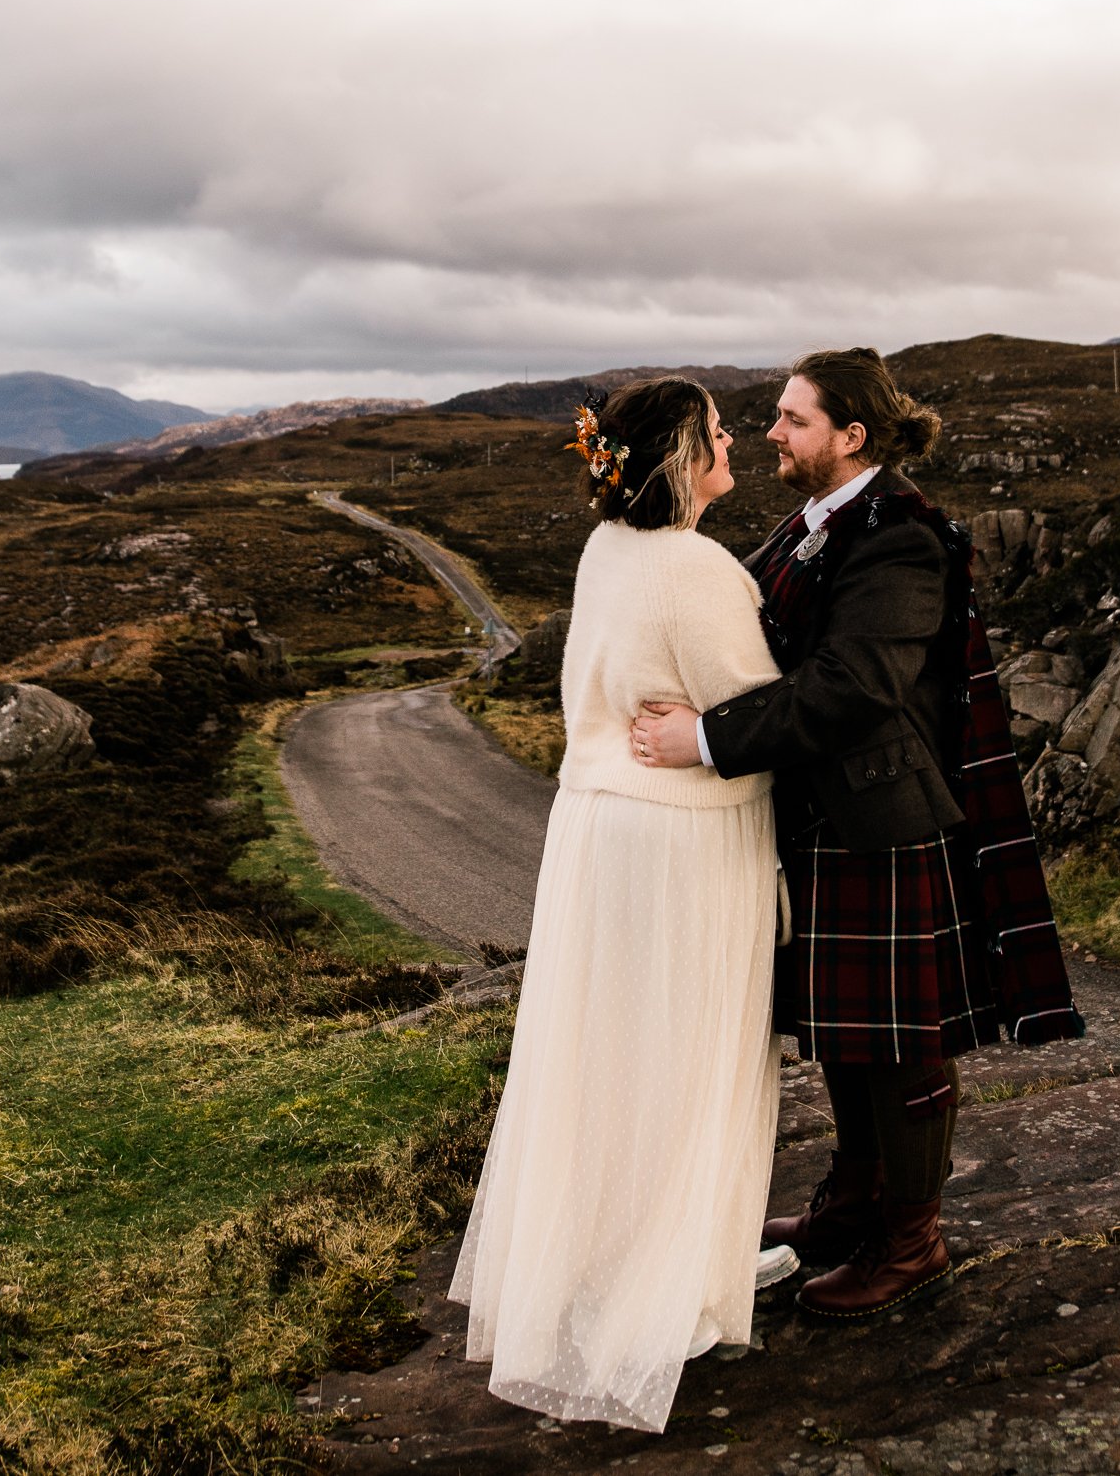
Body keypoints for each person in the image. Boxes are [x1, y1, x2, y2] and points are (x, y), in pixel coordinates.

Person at [630, 346, 1084, 1322]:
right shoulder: (810, 523)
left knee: (900, 1039)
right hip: (821, 814)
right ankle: (854, 1201)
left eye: (793, 419)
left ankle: (911, 1238)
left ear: (851, 436)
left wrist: (704, 737)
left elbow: (850, 686)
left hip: (879, 820)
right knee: (847, 1030)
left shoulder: (899, 536)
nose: (771, 431)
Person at [448, 376, 796, 1435]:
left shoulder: (606, 552)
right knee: (694, 1044)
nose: (736, 439)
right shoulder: (695, 565)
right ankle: (671, 1290)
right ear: (685, 459)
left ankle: (625, 1258)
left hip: (598, 823)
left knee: (613, 1045)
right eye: (719, 431)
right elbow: (758, 706)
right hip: (686, 828)